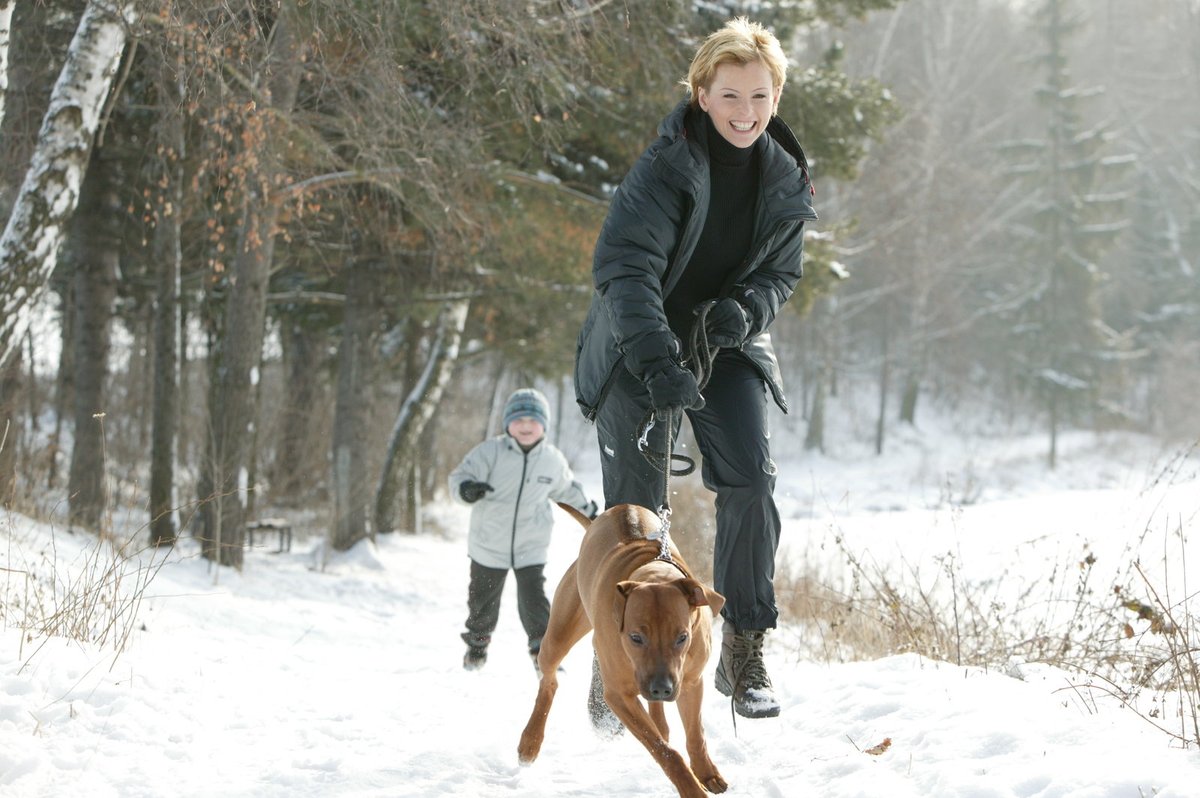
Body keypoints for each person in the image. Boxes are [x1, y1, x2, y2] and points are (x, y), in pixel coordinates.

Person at [573, 17, 817, 719]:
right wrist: (658, 364)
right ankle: (613, 659)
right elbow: (626, 270)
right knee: (636, 520)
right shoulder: (665, 168)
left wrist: (746, 309)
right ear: (703, 94)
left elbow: (780, 272)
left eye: (760, 97)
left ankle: (743, 648)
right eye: (731, 95)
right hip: (637, 343)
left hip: (724, 343)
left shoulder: (785, 179)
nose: (746, 113)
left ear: (776, 98)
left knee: (751, 478)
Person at [450, 387, 598, 673]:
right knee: (482, 600)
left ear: (544, 425)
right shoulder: (490, 452)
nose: (526, 426)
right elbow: (459, 477)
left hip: (531, 544)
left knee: (534, 600)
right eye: (519, 420)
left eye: (533, 421)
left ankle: (542, 652)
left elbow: (567, 490)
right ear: (508, 424)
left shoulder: (551, 460)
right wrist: (467, 490)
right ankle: (477, 646)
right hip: (489, 543)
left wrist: (591, 513)